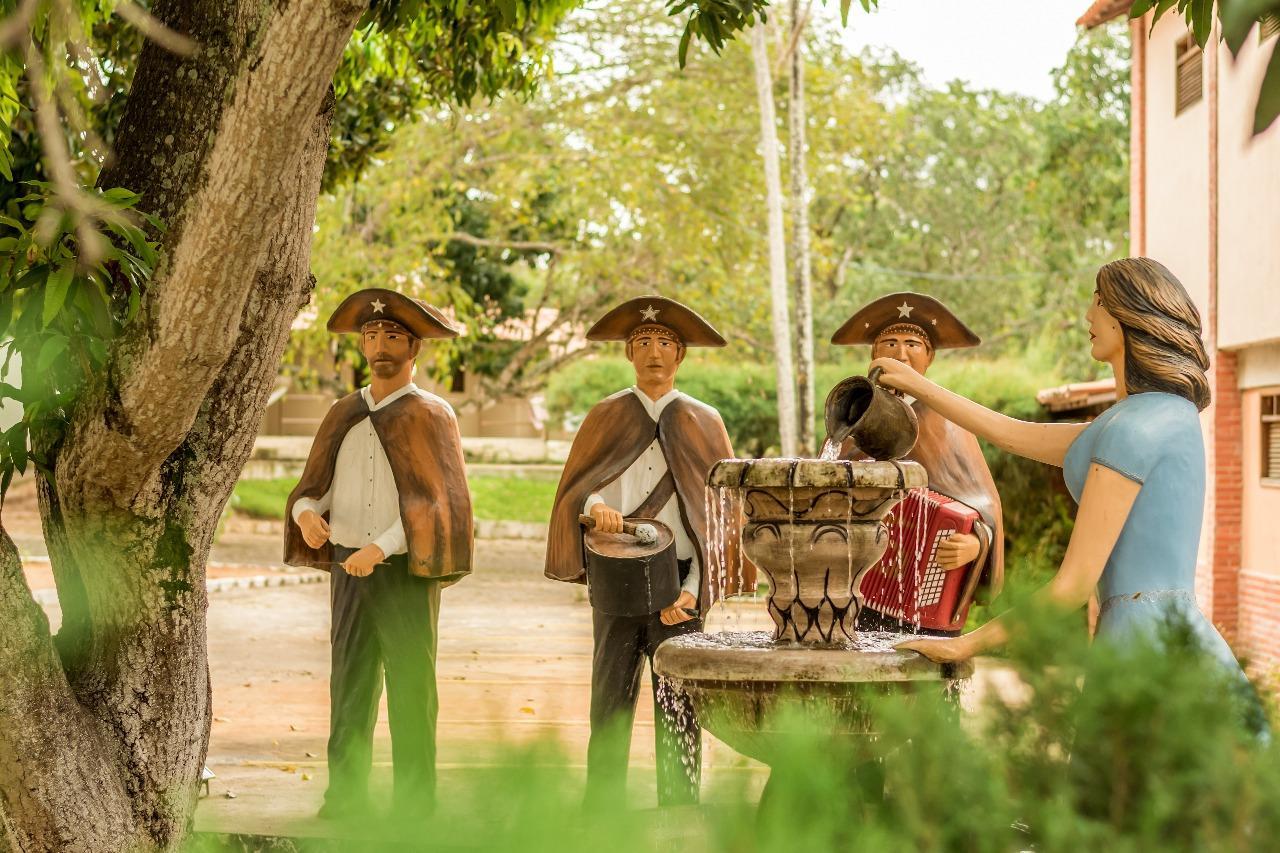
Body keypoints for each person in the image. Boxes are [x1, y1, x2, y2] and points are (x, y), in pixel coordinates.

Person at [884, 259, 1255, 698]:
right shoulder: (1167, 415)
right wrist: (916, 385)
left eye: (1098, 303)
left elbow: (1072, 585)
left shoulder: (1132, 430)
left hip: (1141, 647)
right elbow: (1012, 433)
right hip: (1179, 636)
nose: (1088, 316)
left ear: (1127, 316)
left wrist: (964, 645)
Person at [545, 295, 753, 807]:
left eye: (664, 342)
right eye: (642, 342)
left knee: (679, 700)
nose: (653, 352)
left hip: (679, 583)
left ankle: (679, 805)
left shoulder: (704, 420)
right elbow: (577, 489)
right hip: (616, 577)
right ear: (628, 354)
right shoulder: (606, 415)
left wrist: (694, 590)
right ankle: (603, 806)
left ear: (680, 355)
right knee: (609, 697)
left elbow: (720, 517)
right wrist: (596, 506)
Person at [284, 288, 473, 820]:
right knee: (349, 682)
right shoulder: (343, 412)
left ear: (414, 347)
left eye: (392, 336)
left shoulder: (432, 415)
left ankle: (414, 803)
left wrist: (381, 546)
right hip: (349, 571)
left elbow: (439, 502)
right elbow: (312, 487)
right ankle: (344, 796)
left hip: (403, 573)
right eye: (371, 335)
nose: (380, 345)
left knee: (412, 686)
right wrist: (306, 516)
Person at [830, 292, 1003, 636]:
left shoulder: (949, 420)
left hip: (925, 593)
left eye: (913, 344)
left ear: (930, 357)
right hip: (853, 590)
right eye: (890, 344)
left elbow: (985, 501)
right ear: (874, 355)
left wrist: (978, 542)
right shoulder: (848, 416)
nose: (901, 354)